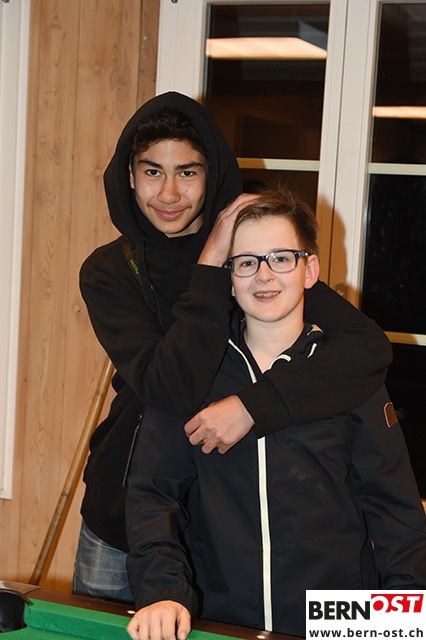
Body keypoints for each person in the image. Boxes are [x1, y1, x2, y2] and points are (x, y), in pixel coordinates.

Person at [73, 91, 392, 602]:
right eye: (153, 172)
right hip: (125, 517)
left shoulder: (254, 259)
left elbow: (367, 347)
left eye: (188, 172)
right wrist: (209, 263)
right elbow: (171, 388)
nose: (169, 193)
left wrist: (252, 406)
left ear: (213, 174)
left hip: (224, 522)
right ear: (130, 176)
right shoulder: (109, 270)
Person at [125, 187, 426, 640]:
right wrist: (163, 591)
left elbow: (395, 513)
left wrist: (405, 623)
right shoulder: (194, 371)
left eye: (282, 258)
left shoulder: (350, 375)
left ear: (310, 270)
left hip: (337, 621)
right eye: (247, 262)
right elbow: (153, 493)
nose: (264, 276)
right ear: (229, 278)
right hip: (219, 617)